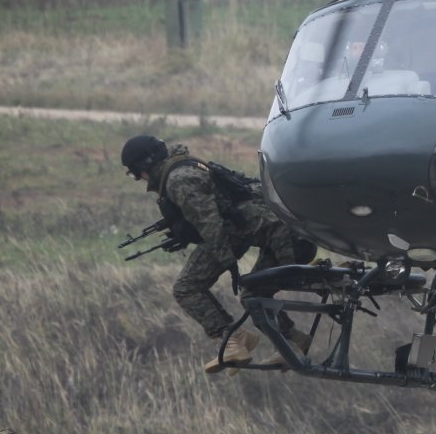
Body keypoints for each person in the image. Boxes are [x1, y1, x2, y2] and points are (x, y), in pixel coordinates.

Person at [120, 133, 311, 374]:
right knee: (253, 293)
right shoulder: (186, 166)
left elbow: (212, 226)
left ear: (143, 166)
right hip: (287, 233)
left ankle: (231, 340)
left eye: (134, 172)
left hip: (284, 239)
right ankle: (293, 342)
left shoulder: (178, 180)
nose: (138, 179)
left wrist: (229, 264)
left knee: (186, 288)